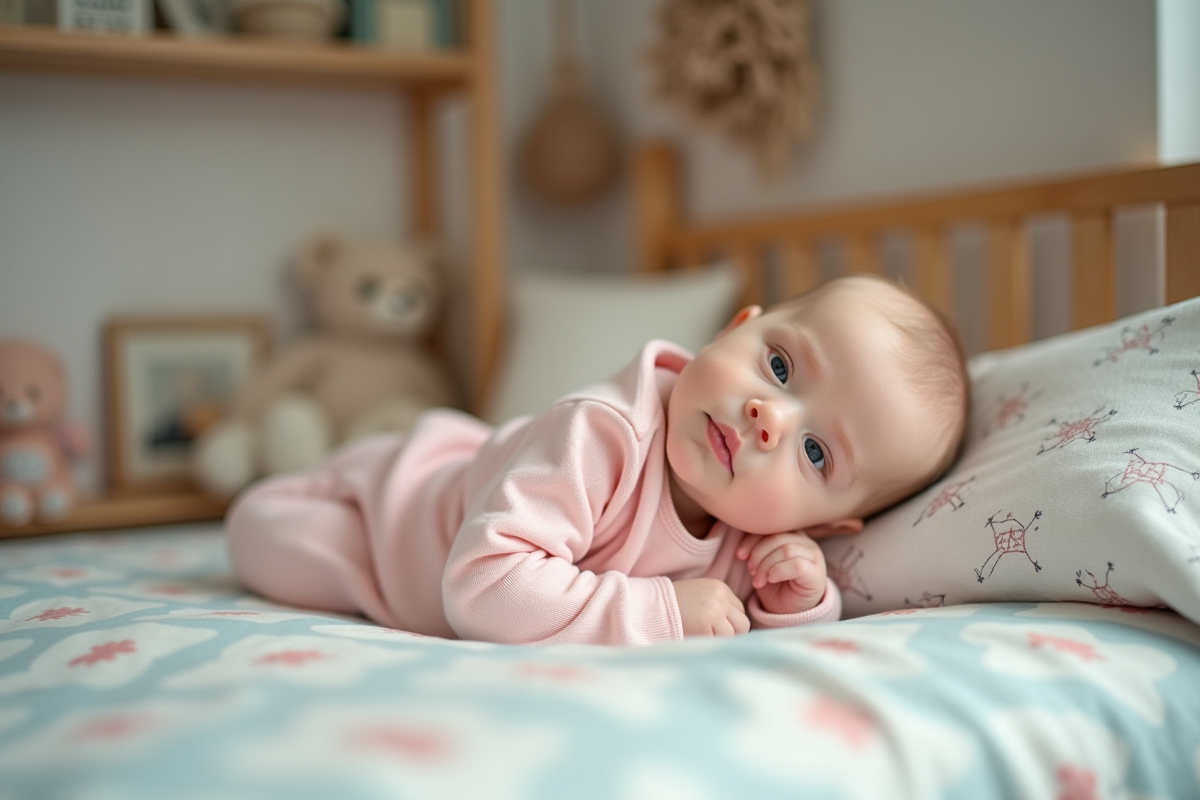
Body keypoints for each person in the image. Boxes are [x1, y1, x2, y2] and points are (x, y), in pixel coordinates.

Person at [226, 274, 968, 645]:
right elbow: (480, 585)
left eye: (815, 451)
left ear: (831, 523)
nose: (768, 419)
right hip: (395, 525)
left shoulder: (756, 528)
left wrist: (798, 598)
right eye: (778, 367)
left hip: (472, 477)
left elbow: (763, 632)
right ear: (734, 329)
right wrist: (662, 611)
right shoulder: (604, 430)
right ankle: (292, 466)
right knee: (259, 533)